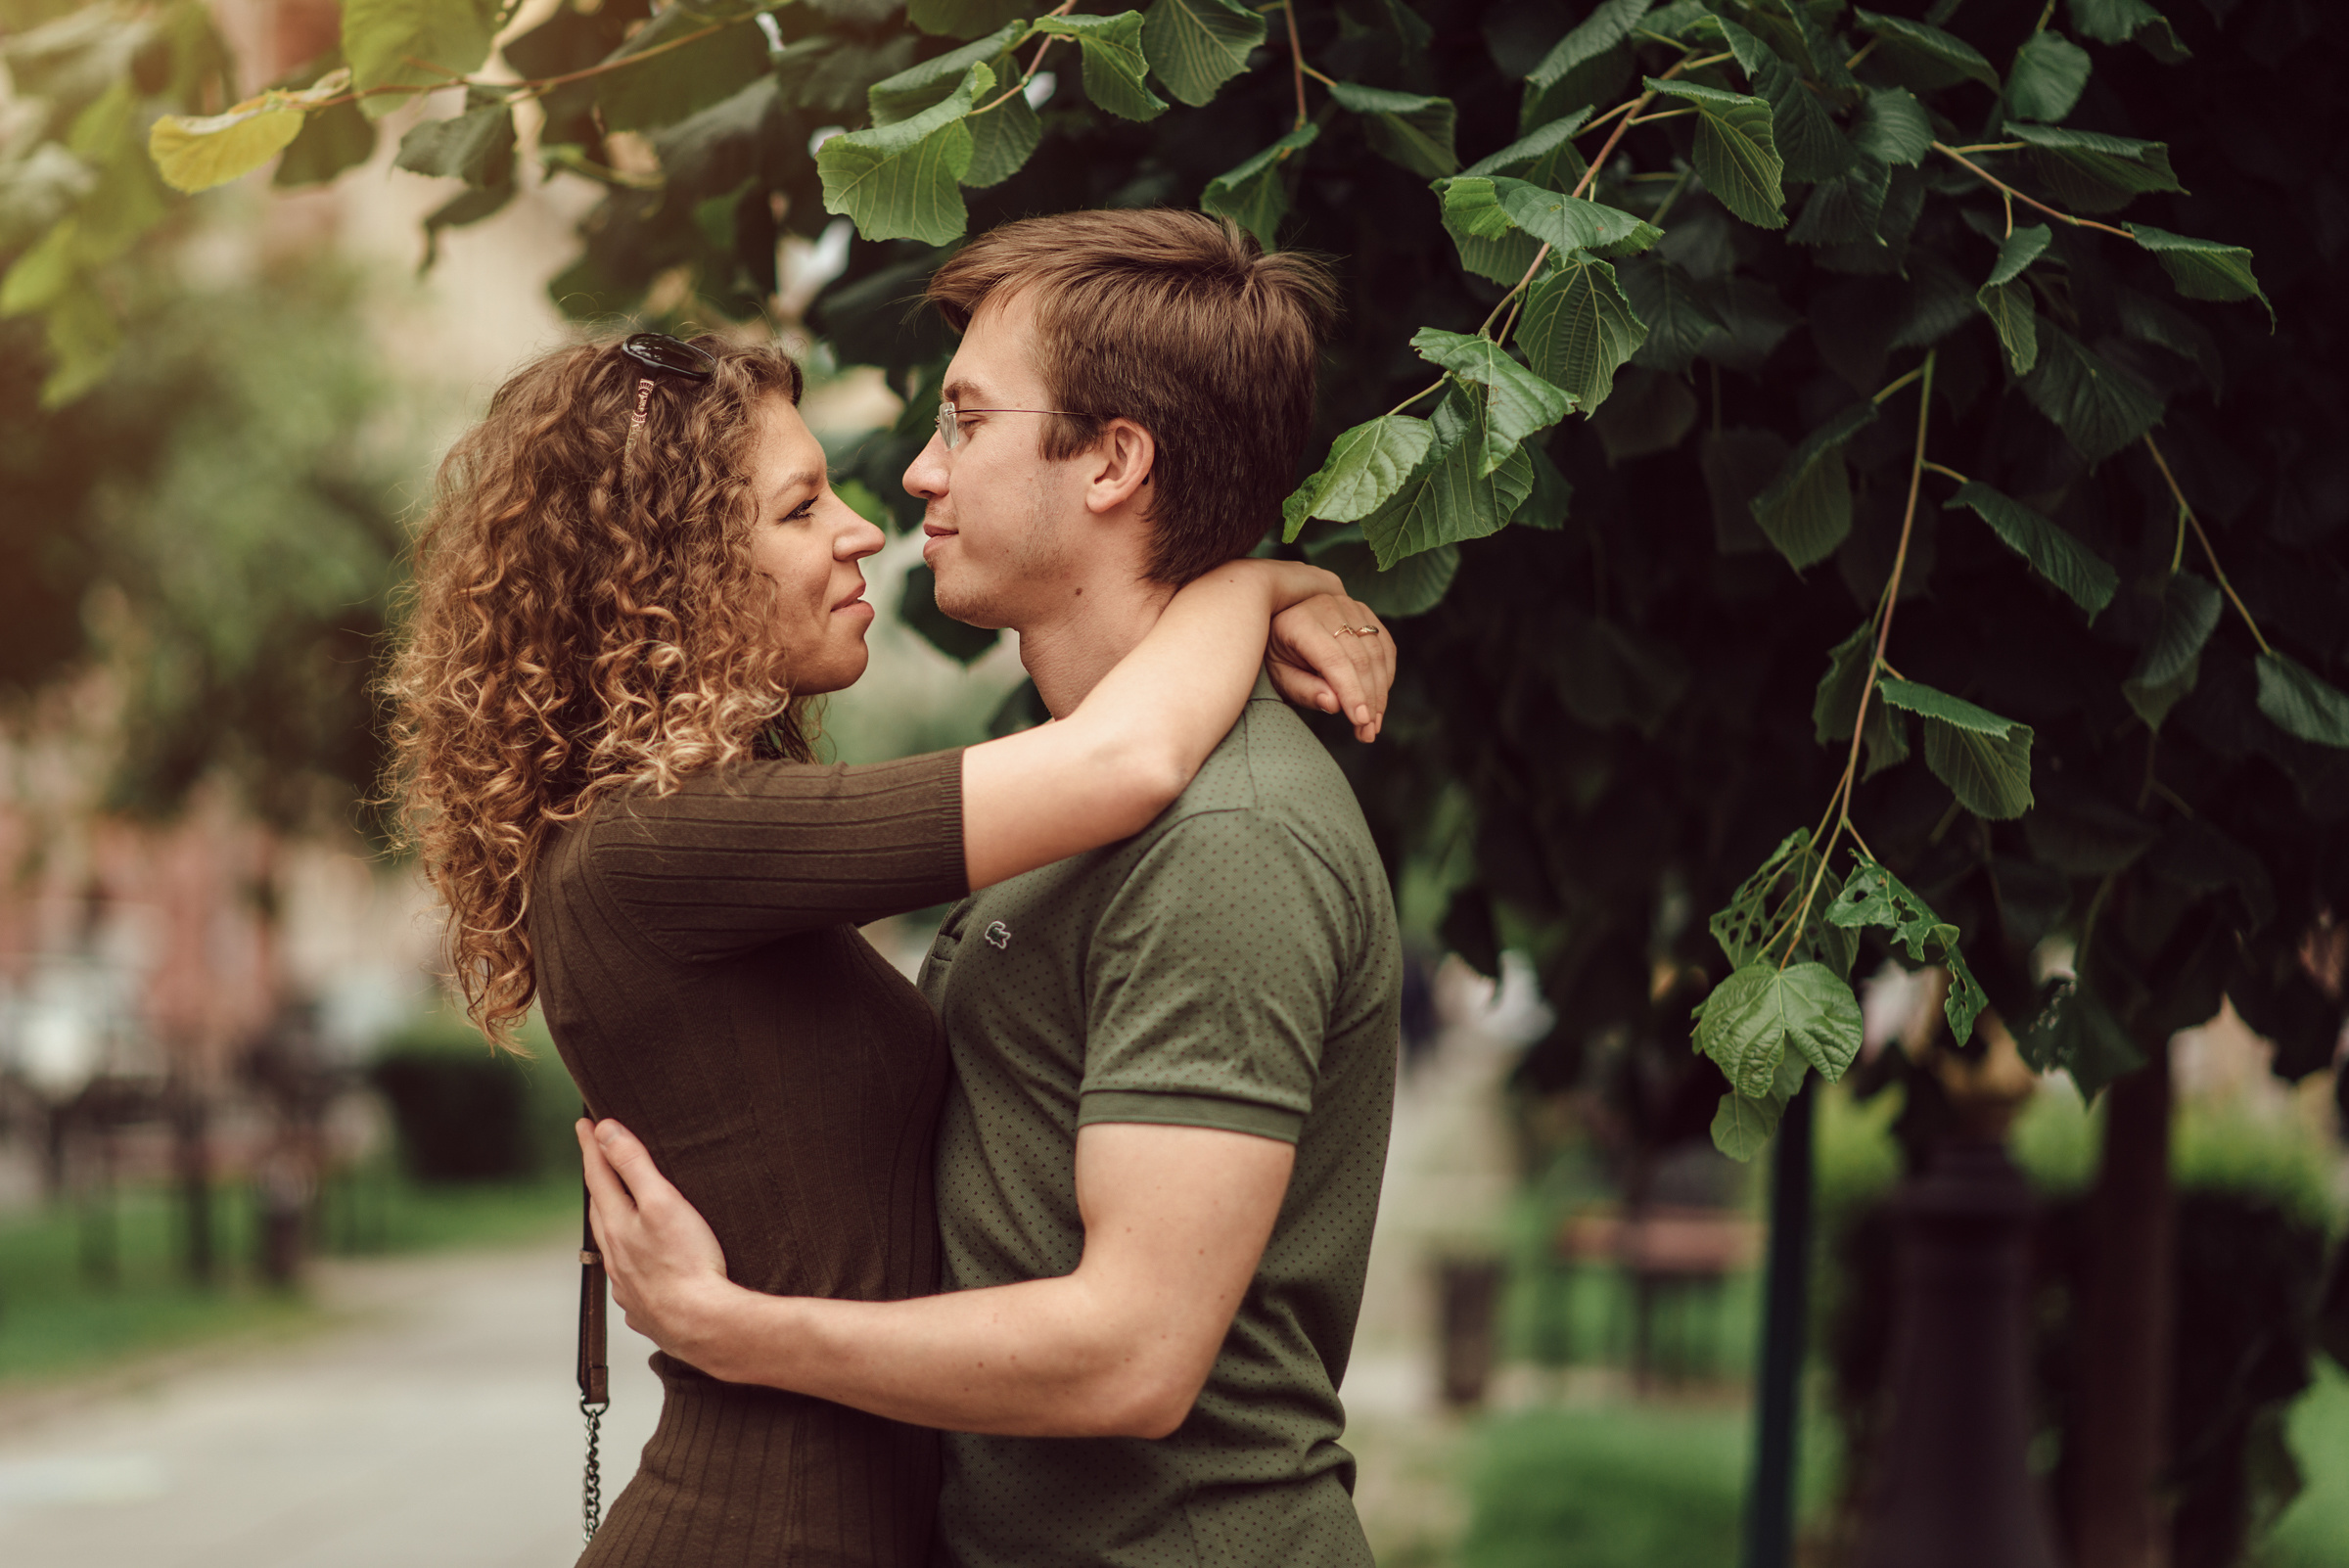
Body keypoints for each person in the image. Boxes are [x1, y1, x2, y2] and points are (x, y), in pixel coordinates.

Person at [384, 321, 1392, 1567]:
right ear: (677, 569)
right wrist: (1256, 583)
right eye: (802, 509)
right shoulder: (664, 843)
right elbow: (1122, 762)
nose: (866, 527)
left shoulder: (684, 834)